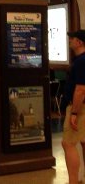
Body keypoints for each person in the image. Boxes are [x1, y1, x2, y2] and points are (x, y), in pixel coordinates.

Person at [62, 29, 85, 184]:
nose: (70, 41)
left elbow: (81, 89)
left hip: (80, 107)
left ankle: (73, 181)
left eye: (72, 38)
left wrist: (75, 112)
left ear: (80, 42)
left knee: (68, 143)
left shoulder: (82, 61)